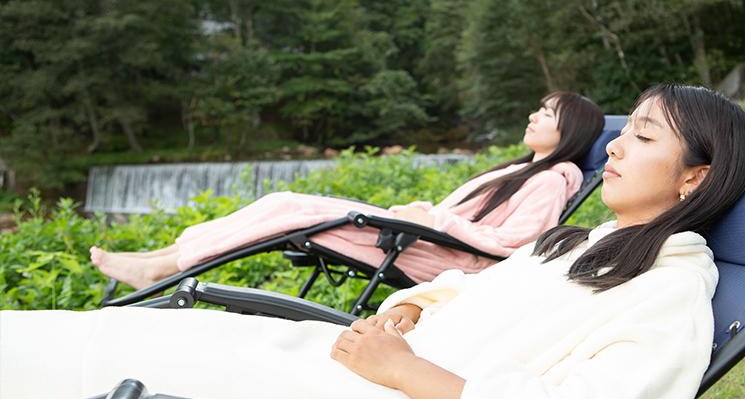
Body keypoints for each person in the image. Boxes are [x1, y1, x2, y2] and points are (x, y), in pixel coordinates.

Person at [0, 84, 745, 399]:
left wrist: (402, 371)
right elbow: (467, 285)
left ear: (695, 177)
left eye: (644, 137)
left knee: (122, 370)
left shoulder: (668, 291)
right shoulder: (581, 242)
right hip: (364, 365)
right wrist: (414, 306)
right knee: (148, 335)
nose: (616, 146)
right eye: (625, 130)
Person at [89, 91, 604, 289]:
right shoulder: (519, 170)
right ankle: (165, 258)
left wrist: (435, 219)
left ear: (569, 131)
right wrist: (428, 215)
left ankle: (163, 267)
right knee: (280, 203)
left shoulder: (550, 180)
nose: (532, 115)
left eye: (546, 113)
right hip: (420, 238)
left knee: (287, 206)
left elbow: (516, 246)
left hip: (437, 256)